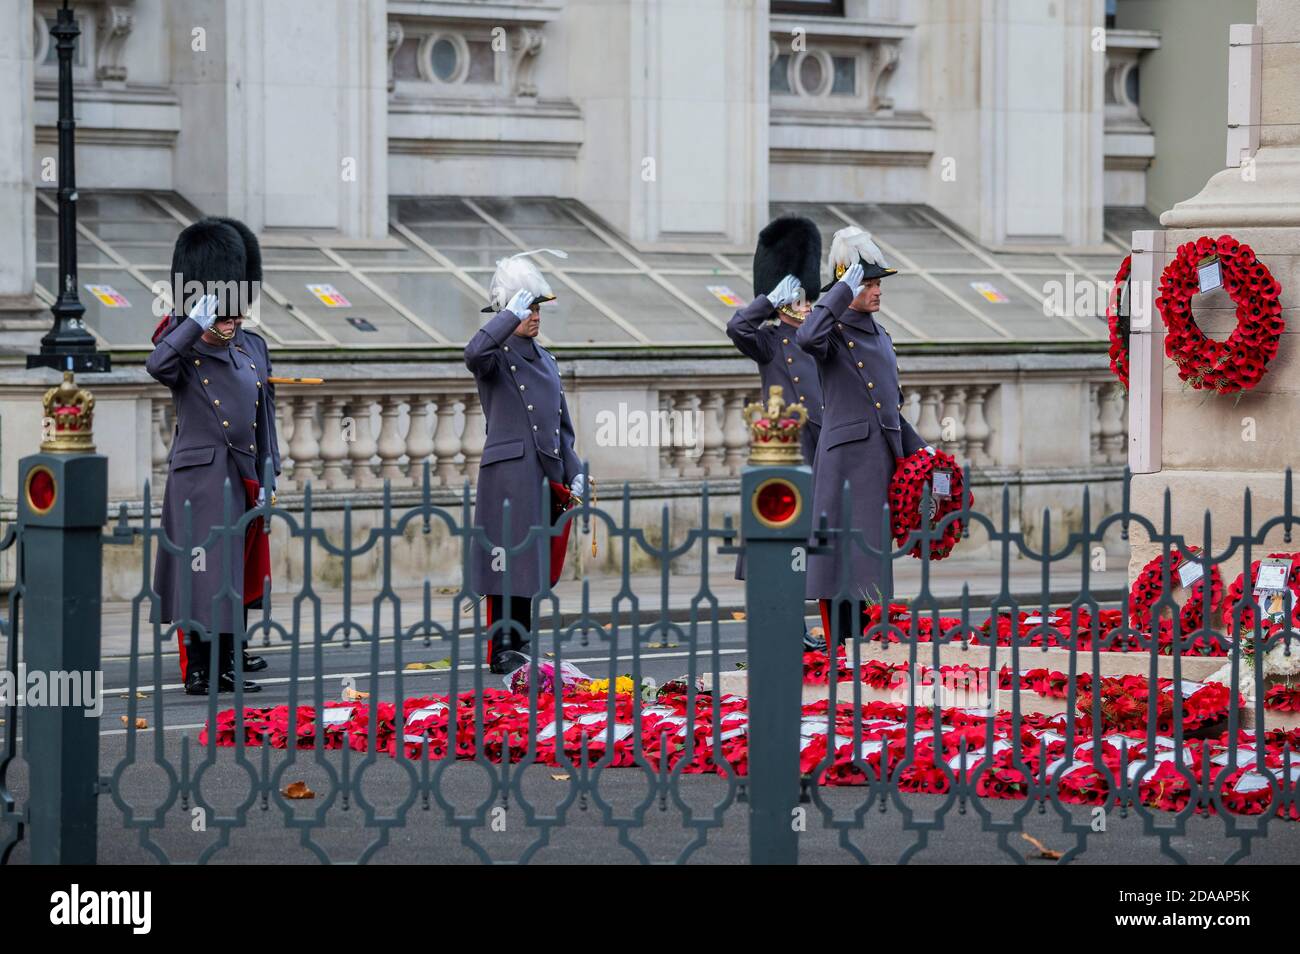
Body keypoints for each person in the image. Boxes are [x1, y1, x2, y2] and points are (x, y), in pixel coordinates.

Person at [147, 217, 280, 694]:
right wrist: (193, 322)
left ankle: (227, 664)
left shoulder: (251, 350)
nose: (232, 321)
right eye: (224, 314)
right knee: (199, 573)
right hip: (200, 477)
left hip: (241, 473)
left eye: (233, 313)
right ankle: (199, 668)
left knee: (231, 575)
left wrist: (270, 473)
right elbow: (157, 364)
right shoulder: (181, 348)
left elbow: (265, 417)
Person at [795, 226, 934, 644]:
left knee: (871, 569)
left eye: (876, 283)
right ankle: (840, 652)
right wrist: (838, 293)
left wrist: (921, 451)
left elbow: (888, 412)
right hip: (844, 469)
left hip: (879, 465)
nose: (877, 291)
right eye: (868, 283)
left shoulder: (881, 335)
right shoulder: (833, 332)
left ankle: (867, 653)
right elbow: (806, 336)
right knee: (840, 569)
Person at [465, 250, 586, 674]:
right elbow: (473, 352)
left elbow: (561, 427)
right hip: (508, 473)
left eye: (537, 307)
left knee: (531, 561)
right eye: (528, 307)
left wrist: (576, 472)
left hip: (542, 474)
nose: (535, 315)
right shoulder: (496, 356)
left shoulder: (547, 360)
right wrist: (504, 315)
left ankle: (523, 641)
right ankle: (503, 646)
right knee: (506, 559)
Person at [726, 215, 826, 650]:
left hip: (822, 446)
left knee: (818, 543)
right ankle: (786, 622)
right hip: (785, 453)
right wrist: (767, 300)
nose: (803, 305)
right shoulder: (768, 340)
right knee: (786, 543)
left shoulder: (821, 336)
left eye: (805, 297)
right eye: (797, 297)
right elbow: (736, 328)